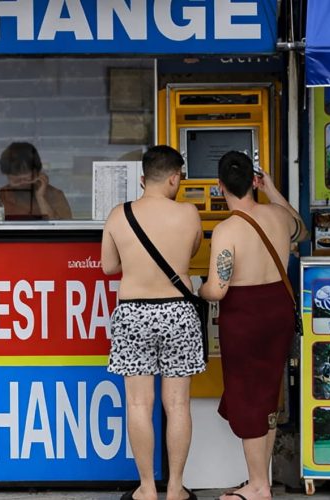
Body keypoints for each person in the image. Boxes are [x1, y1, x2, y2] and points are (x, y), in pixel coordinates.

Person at [199, 151, 308, 500]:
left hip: (245, 317)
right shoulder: (277, 216)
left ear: (219, 187)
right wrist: (273, 189)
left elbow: (217, 288)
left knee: (248, 398)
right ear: (254, 181)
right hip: (278, 310)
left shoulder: (226, 229)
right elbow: (302, 230)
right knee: (268, 396)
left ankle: (259, 486)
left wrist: (195, 287)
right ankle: (259, 479)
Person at [101, 145, 204, 500]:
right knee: (177, 405)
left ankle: (146, 489)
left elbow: (108, 266)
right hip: (177, 312)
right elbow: (190, 253)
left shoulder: (118, 215)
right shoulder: (189, 214)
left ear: (143, 178)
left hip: (133, 314)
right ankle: (175, 489)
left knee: (138, 405)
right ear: (175, 177)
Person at [0, 142, 72, 220]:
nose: (21, 181)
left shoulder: (55, 195)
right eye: (15, 175)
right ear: (7, 175)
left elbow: (62, 231)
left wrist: (41, 197)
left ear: (37, 172)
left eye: (25, 174)